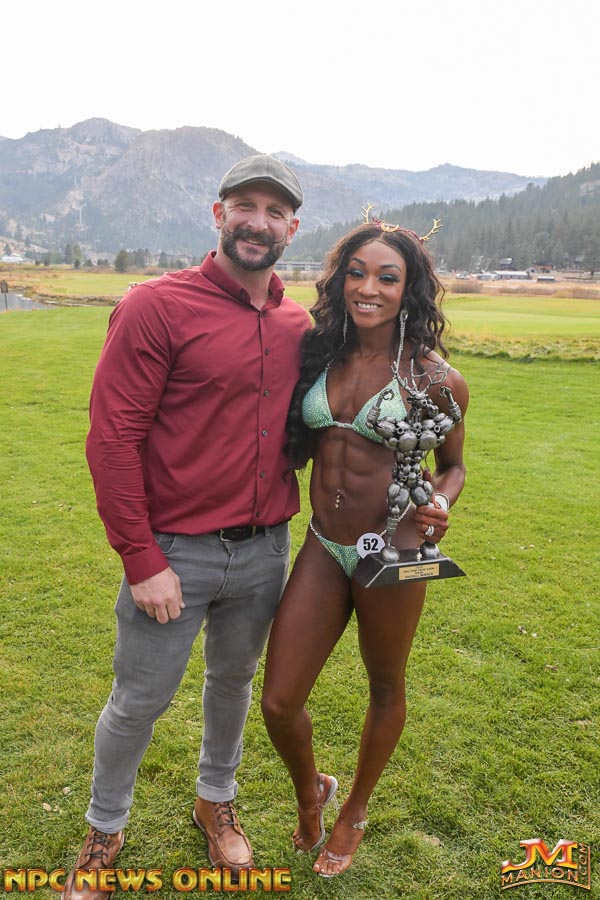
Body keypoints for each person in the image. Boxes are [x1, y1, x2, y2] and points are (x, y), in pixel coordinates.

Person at [62, 155, 311, 899]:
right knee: (138, 700)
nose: (258, 222)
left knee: (233, 683)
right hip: (174, 554)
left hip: (265, 552)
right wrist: (141, 558)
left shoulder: (298, 324)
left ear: (292, 228)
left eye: (274, 211)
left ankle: (215, 800)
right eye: (245, 205)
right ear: (218, 214)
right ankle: (105, 829)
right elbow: (112, 439)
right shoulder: (156, 306)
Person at [261, 216, 469, 877]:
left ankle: (354, 810)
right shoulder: (321, 355)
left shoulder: (435, 378)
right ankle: (312, 793)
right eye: (356, 273)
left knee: (385, 685)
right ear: (339, 280)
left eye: (387, 276)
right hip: (325, 544)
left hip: (396, 551)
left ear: (409, 289)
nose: (368, 288)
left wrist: (441, 502)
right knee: (279, 702)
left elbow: (453, 467)